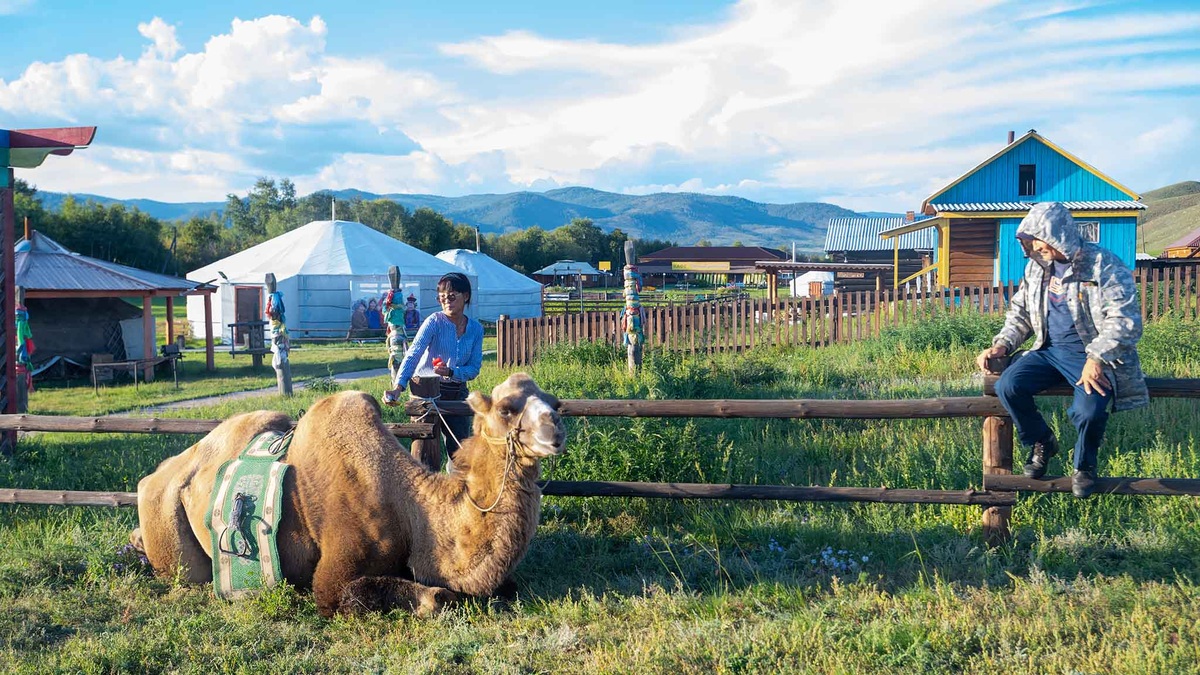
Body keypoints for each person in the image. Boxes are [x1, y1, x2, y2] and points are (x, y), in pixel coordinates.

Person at [976, 202, 1147, 498]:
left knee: (1089, 411)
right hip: (1048, 350)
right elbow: (1021, 312)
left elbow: (1125, 318)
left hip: (1092, 356)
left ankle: (1084, 467)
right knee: (1009, 385)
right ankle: (1042, 440)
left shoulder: (1102, 264)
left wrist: (1097, 357)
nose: (1034, 246)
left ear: (1057, 234)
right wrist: (1002, 344)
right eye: (1029, 240)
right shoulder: (1037, 268)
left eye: (1038, 239)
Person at [383, 272, 485, 459]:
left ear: (466, 296)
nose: (447, 301)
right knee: (425, 449)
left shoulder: (476, 329)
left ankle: (457, 486)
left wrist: (452, 372)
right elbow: (414, 354)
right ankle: (426, 487)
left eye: (452, 296)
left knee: (461, 452)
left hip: (457, 392)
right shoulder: (434, 322)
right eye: (442, 297)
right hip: (426, 392)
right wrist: (398, 387)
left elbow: (474, 368)